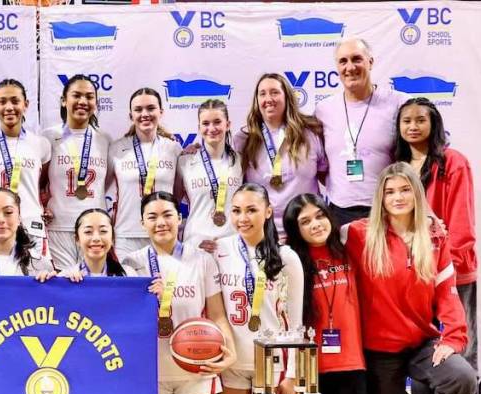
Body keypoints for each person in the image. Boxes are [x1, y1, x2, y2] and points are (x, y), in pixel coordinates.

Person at [345, 163, 475, 394]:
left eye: (405, 190)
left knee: (461, 376)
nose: (398, 197)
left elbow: (447, 291)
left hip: (420, 342)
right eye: (390, 192)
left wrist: (452, 337)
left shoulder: (434, 237)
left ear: (416, 193)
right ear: (380, 197)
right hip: (379, 351)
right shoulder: (357, 234)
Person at [121, 192, 236, 394]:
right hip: (153, 370)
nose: (161, 222)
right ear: (142, 223)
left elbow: (218, 314)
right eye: (152, 217)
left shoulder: (203, 260)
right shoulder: (131, 264)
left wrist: (228, 353)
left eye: (167, 215)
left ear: (180, 218)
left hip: (195, 367)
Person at [395, 97, 479, 394]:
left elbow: (461, 221)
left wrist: (448, 265)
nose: (413, 126)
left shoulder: (453, 162)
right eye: (406, 121)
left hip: (452, 271)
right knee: (425, 348)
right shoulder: (399, 168)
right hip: (415, 275)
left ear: (434, 124)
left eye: (420, 120)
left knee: (458, 344)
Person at [213, 183, 305, 394]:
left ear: (268, 212)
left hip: (272, 365)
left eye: (251, 210)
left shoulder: (287, 257)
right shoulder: (219, 250)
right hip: (234, 363)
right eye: (237, 211)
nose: (243, 218)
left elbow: (296, 321)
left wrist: (292, 375)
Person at [283, 193, 365, 394]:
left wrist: (430, 218)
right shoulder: (292, 262)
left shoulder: (350, 247)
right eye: (305, 221)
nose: (315, 224)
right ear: (296, 230)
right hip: (312, 367)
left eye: (319, 216)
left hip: (352, 363)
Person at [314, 38, 402, 228]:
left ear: (370, 62)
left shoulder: (398, 103)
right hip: (338, 211)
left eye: (357, 59)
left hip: (386, 209)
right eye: (343, 61)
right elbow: (319, 165)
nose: (350, 67)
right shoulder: (323, 110)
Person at [234, 74, 326, 240]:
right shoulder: (244, 139)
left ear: (287, 96)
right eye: (262, 94)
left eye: (274, 92)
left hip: (306, 233)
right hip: (265, 234)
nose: (268, 98)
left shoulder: (311, 133)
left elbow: (325, 175)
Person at [0, 79, 52, 256]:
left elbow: (42, 182)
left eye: (15, 101)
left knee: (37, 281)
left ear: (26, 104)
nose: (9, 107)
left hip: (30, 224)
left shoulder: (40, 143)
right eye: (2, 102)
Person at [43, 75, 113, 270]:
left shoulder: (105, 139)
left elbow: (105, 182)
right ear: (64, 100)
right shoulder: (49, 137)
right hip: (58, 225)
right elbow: (37, 181)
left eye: (89, 97)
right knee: (64, 288)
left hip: (94, 229)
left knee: (93, 287)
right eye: (77, 95)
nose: (83, 101)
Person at [109, 88, 182, 257]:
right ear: (130, 116)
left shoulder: (173, 148)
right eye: (138, 110)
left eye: (150, 108)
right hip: (127, 235)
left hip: (164, 232)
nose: (145, 114)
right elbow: (102, 187)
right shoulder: (116, 148)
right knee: (128, 283)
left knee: (164, 283)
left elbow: (177, 194)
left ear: (161, 112)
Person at [177, 98, 242, 252]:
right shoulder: (184, 162)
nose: (211, 128)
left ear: (228, 124)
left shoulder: (241, 160)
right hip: (196, 243)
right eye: (205, 123)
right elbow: (174, 205)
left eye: (217, 122)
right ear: (199, 127)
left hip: (232, 243)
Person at [62, 208, 127, 279]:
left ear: (112, 238)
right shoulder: (66, 277)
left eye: (103, 231)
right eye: (88, 232)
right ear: (77, 239)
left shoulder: (128, 275)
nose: (96, 238)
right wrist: (49, 282)